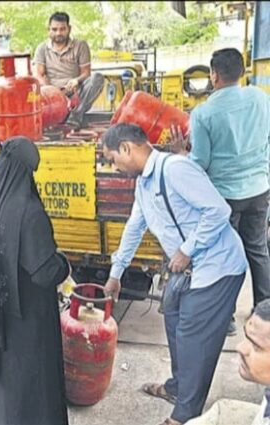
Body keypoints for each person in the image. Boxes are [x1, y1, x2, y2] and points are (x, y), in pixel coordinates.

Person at [102, 123, 248, 425]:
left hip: (217, 267)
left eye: (113, 159)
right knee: (173, 321)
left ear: (126, 148)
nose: (114, 167)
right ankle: (178, 388)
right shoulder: (144, 184)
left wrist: (187, 250)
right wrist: (116, 274)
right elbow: (134, 228)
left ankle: (185, 414)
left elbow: (218, 211)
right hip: (187, 269)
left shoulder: (175, 170)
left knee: (194, 340)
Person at [0, 136, 71, 425]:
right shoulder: (28, 212)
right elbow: (45, 271)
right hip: (24, 325)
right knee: (26, 393)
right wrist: (64, 263)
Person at [171, 48, 270, 335]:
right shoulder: (261, 98)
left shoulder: (203, 113)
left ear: (214, 76)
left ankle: (225, 318)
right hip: (259, 189)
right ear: (243, 71)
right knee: (257, 250)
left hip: (224, 195)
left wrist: (180, 153)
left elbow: (200, 162)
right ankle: (265, 312)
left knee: (224, 257)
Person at [33, 11, 105, 129]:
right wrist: (52, 92)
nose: (58, 33)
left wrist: (76, 80)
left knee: (97, 78)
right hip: (51, 97)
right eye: (54, 29)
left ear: (69, 29)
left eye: (62, 29)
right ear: (48, 30)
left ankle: (75, 117)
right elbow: (38, 75)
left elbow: (86, 73)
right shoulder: (42, 48)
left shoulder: (81, 45)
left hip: (76, 94)